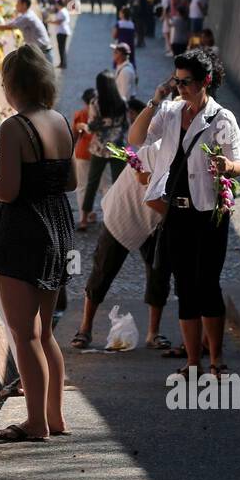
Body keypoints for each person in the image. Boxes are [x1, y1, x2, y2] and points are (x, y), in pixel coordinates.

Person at [0, 45, 76, 441]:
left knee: (24, 333)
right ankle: (55, 417)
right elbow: (72, 182)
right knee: (45, 333)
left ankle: (35, 424)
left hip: (25, 230)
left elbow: (8, 191)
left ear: (12, 85)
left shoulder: (14, 127)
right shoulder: (61, 121)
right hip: (59, 226)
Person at [129, 49, 240, 377]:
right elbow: (136, 140)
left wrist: (227, 166)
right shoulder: (167, 112)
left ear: (205, 81)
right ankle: (193, 362)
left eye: (187, 82)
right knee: (185, 286)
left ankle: (216, 360)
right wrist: (156, 98)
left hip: (209, 213)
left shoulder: (221, 118)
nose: (181, 88)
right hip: (177, 213)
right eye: (177, 81)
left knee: (207, 284)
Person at [70, 133, 174, 351]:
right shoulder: (156, 147)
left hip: (158, 221)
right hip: (125, 211)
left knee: (159, 273)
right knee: (103, 270)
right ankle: (85, 328)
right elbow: (153, 197)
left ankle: (153, 333)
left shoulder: (190, 153)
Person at [78, 70, 128, 230]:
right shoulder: (122, 101)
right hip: (118, 147)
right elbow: (126, 125)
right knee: (119, 184)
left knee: (91, 184)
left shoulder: (95, 103)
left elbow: (92, 127)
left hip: (99, 148)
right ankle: (119, 218)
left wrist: (85, 127)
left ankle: (84, 219)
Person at [0, 0, 54, 65]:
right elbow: (12, 23)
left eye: (18, 3)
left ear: (24, 4)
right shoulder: (27, 14)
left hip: (44, 54)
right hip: (39, 52)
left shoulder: (27, 17)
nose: (16, 5)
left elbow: (8, 27)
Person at [71, 88, 103, 221]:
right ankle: (106, 215)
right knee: (104, 185)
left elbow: (74, 134)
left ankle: (85, 216)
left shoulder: (81, 113)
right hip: (101, 153)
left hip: (83, 152)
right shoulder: (104, 114)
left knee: (83, 186)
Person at [47, 0, 73, 69]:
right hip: (62, 31)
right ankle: (62, 63)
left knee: (61, 48)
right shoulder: (63, 10)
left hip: (62, 32)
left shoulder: (62, 11)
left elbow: (58, 22)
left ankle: (63, 63)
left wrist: (50, 21)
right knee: (61, 48)